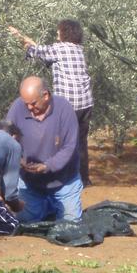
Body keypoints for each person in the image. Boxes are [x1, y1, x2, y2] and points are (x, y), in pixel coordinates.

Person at [8, 18, 94, 187]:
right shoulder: (78, 50)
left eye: (58, 31)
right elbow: (45, 53)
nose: (56, 34)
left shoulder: (59, 48)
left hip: (69, 105)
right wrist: (32, 43)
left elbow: (35, 51)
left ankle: (60, 177)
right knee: (81, 142)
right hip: (85, 104)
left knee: (62, 142)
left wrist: (18, 36)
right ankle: (84, 179)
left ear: (64, 33)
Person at [5, 76, 82, 223]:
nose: (29, 108)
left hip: (63, 181)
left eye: (33, 104)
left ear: (45, 95)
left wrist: (47, 166)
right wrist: (18, 159)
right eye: (26, 103)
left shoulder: (64, 109)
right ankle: (46, 206)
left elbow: (69, 147)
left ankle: (51, 206)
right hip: (30, 183)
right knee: (25, 223)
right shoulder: (18, 107)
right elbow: (7, 136)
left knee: (70, 225)